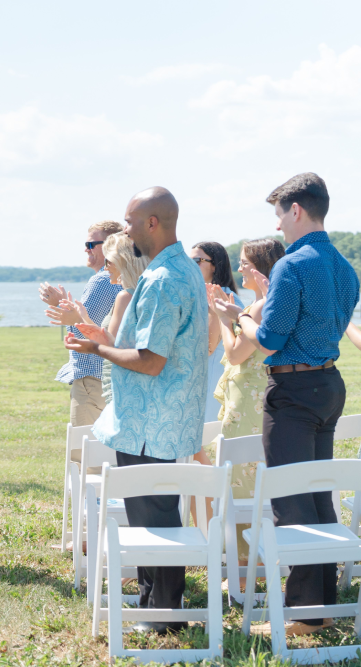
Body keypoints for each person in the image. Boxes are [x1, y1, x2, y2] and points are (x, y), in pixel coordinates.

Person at [214, 172, 358, 636]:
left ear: (296, 210)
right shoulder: (345, 267)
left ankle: (305, 614)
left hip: (293, 390)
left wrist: (238, 316)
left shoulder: (291, 265)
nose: (277, 226)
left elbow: (271, 340)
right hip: (329, 384)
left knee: (292, 500)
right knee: (317, 495)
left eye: (279, 215)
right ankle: (321, 606)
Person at [66, 186, 209, 635]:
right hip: (156, 419)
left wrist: (98, 349)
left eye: (129, 222)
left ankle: (163, 615)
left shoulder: (163, 278)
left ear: (152, 223)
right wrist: (106, 339)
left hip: (152, 422)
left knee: (155, 520)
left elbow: (150, 360)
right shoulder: (180, 268)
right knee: (153, 515)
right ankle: (153, 603)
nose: (125, 231)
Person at [208, 238, 285, 588]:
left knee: (240, 476)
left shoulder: (259, 307)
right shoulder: (268, 302)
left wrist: (224, 319)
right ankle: (255, 559)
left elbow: (235, 354)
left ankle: (244, 568)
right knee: (250, 475)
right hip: (257, 397)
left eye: (244, 263)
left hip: (247, 402)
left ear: (260, 268)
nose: (239, 268)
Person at [41, 221, 123, 428]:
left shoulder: (102, 281)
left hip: (92, 380)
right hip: (113, 379)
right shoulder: (125, 280)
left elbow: (83, 333)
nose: (86, 249)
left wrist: (60, 306)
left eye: (91, 244)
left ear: (110, 246)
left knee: (83, 446)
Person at [69, 232, 150, 407]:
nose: (105, 268)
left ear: (124, 262)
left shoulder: (125, 296)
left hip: (119, 381)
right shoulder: (143, 293)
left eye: (108, 261)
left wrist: (87, 344)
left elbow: (110, 345)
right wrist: (84, 317)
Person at [189, 241, 243, 423]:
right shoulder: (201, 296)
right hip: (200, 382)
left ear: (215, 265)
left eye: (197, 261)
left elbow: (209, 346)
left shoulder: (223, 299)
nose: (190, 266)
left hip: (212, 382)